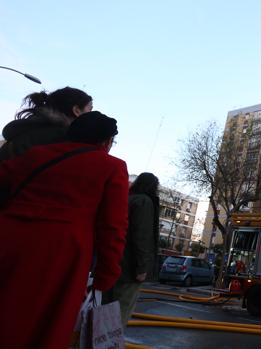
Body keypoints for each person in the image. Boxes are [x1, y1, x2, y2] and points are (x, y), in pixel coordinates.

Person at [0, 111, 128, 349]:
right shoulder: (112, 167)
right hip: (62, 253)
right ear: (107, 141)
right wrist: (106, 275)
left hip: (9, 238)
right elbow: (113, 227)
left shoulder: (36, 155)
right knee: (43, 325)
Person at [104, 172, 160, 326]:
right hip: (130, 270)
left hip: (113, 264)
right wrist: (142, 268)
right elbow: (142, 236)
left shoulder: (127, 200)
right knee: (120, 313)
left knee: (104, 311)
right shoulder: (144, 203)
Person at [0, 86, 93, 161]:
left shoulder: (29, 131)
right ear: (76, 110)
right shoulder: (61, 139)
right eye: (90, 109)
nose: (92, 114)